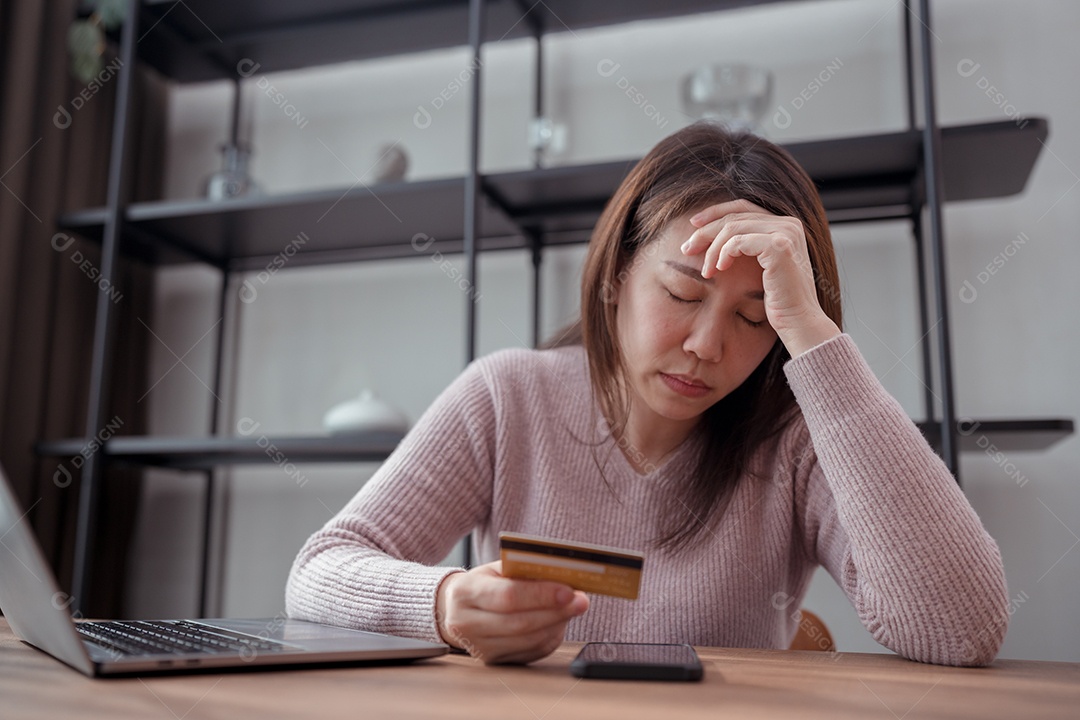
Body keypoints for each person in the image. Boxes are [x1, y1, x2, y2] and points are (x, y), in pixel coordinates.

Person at [286, 122, 1008, 667]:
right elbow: (319, 574)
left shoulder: (793, 437)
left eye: (755, 317)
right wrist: (441, 604)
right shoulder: (509, 397)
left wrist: (814, 338)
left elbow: (962, 629)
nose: (706, 345)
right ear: (615, 277)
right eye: (681, 292)